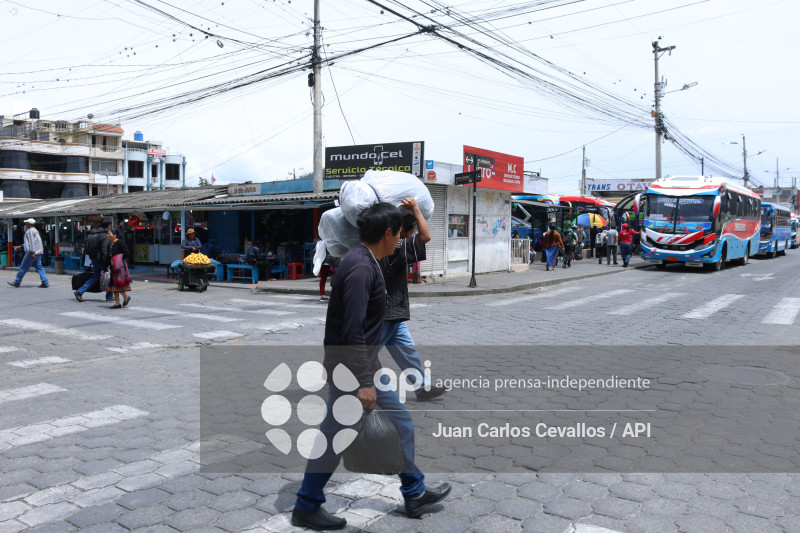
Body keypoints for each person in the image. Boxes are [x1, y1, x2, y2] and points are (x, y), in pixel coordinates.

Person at [292, 202, 450, 531]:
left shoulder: (368, 259)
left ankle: (414, 490)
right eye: (399, 234)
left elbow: (419, 242)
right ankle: (306, 505)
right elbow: (351, 330)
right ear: (388, 233)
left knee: (400, 423)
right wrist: (365, 382)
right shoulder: (361, 267)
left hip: (361, 364)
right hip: (351, 369)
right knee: (335, 435)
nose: (402, 240)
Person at [380, 197, 447, 402]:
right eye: (411, 232)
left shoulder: (385, 244)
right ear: (402, 231)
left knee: (407, 350)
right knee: (364, 353)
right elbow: (425, 237)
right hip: (385, 312)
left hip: (394, 313)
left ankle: (422, 387)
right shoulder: (397, 246)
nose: (414, 235)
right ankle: (346, 385)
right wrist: (416, 208)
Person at [74, 218, 113, 302]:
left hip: (93, 258)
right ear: (109, 225)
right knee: (110, 276)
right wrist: (107, 262)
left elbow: (86, 247)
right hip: (102, 260)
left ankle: (80, 291)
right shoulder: (104, 235)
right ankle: (109, 295)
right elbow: (105, 250)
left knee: (96, 276)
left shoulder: (91, 233)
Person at [8, 219, 49, 288]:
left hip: (31, 252)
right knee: (39, 267)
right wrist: (21, 246)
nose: (26, 224)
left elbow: (31, 243)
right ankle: (45, 282)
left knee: (23, 267)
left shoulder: (30, 231)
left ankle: (17, 282)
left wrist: (32, 252)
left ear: (29, 223)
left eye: (27, 223)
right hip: (38, 252)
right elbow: (31, 242)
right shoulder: (35, 231)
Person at [106, 227, 131, 309]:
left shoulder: (120, 243)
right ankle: (118, 302)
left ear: (115, 235)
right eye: (108, 234)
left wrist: (118, 258)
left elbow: (127, 252)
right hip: (112, 267)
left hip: (119, 267)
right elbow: (107, 257)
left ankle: (124, 298)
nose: (108, 235)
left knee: (118, 284)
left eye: (109, 234)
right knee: (114, 284)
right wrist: (104, 268)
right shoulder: (109, 245)